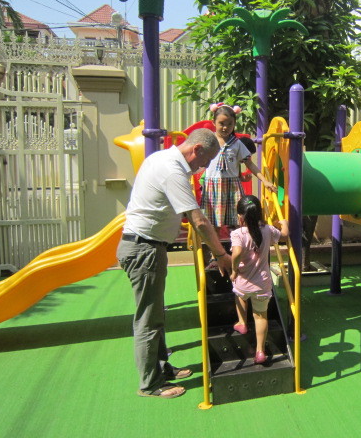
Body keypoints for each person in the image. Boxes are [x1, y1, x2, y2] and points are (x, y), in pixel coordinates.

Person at [117, 128, 232, 399]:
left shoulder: (159, 158)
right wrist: (220, 254)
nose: (201, 168)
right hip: (144, 248)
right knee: (148, 319)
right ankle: (151, 384)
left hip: (147, 246)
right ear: (197, 150)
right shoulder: (172, 170)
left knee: (156, 316)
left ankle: (162, 369)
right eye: (203, 162)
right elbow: (198, 219)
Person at [202, 103, 277, 250]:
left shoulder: (236, 144)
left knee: (240, 220)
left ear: (234, 124)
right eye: (221, 123)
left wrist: (265, 181)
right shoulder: (209, 141)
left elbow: (250, 165)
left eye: (229, 124)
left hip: (232, 187)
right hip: (213, 187)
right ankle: (215, 254)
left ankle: (245, 249)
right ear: (214, 123)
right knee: (215, 223)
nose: (225, 127)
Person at [230, 195, 289, 364]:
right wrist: (284, 224)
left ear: (240, 216)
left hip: (243, 282)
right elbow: (284, 236)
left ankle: (242, 322)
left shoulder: (238, 233)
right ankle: (260, 352)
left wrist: (234, 270)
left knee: (240, 295)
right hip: (263, 284)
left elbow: (236, 253)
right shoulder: (268, 229)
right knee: (261, 316)